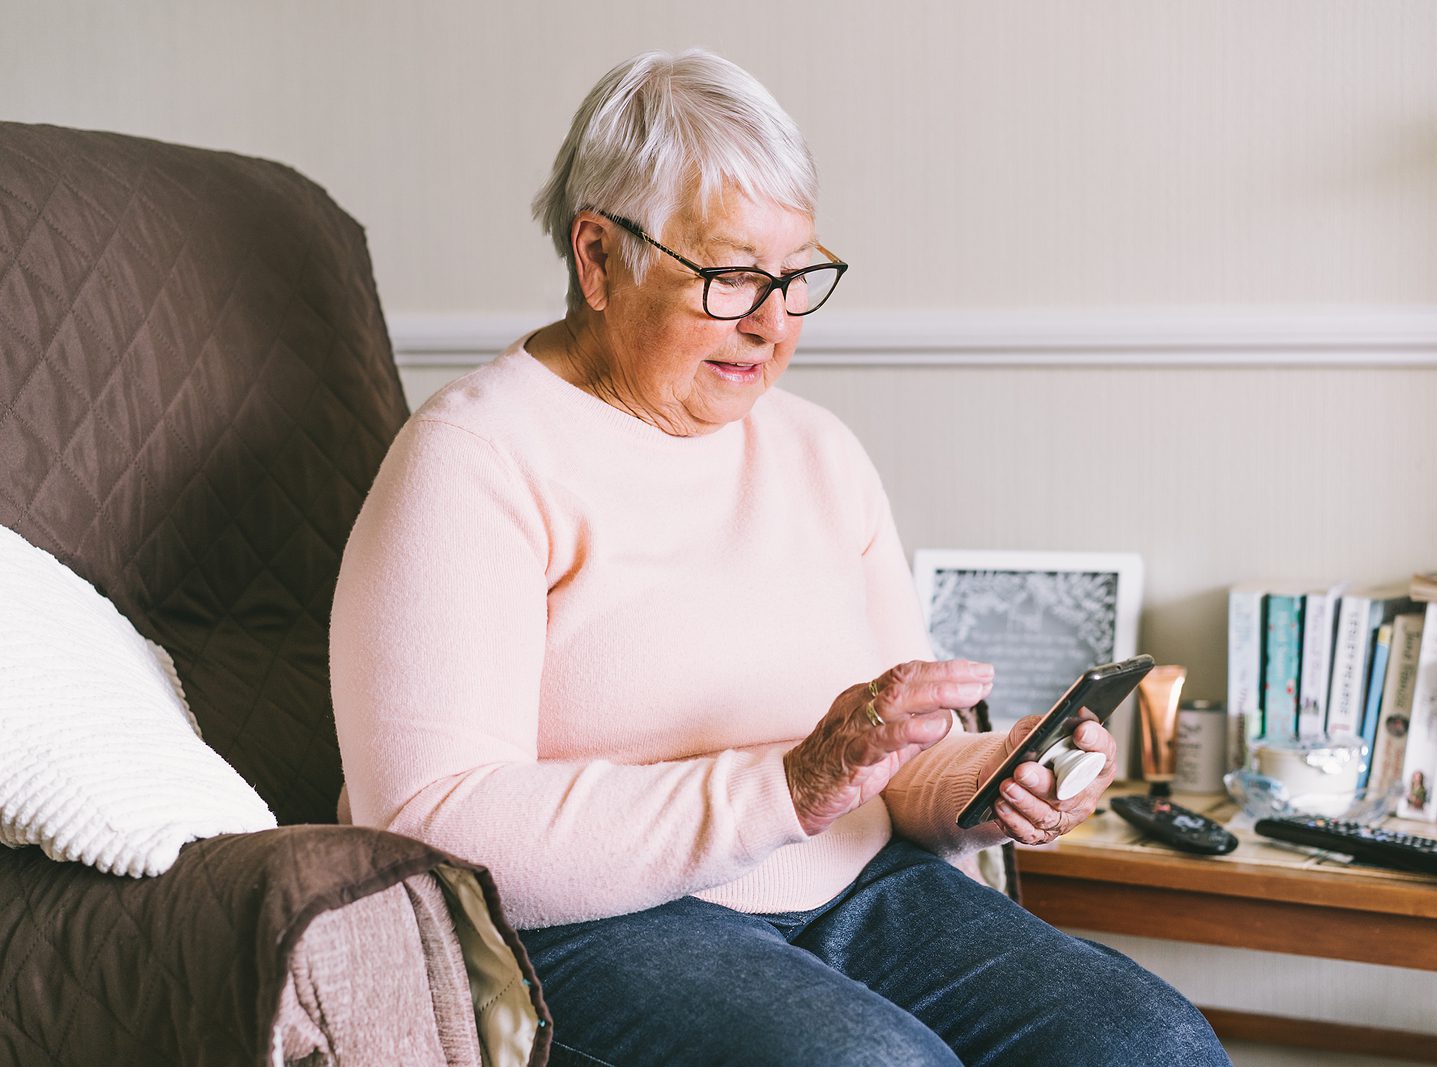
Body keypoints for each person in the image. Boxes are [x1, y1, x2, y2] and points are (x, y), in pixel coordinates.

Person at [331, 48, 1228, 1066]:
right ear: (597, 256)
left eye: (797, 276)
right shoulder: (472, 459)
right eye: (729, 276)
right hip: (597, 924)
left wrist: (989, 779)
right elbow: (430, 824)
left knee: (1148, 1041)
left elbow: (894, 768)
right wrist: (787, 785)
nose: (772, 321)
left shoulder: (815, 450)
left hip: (859, 882)